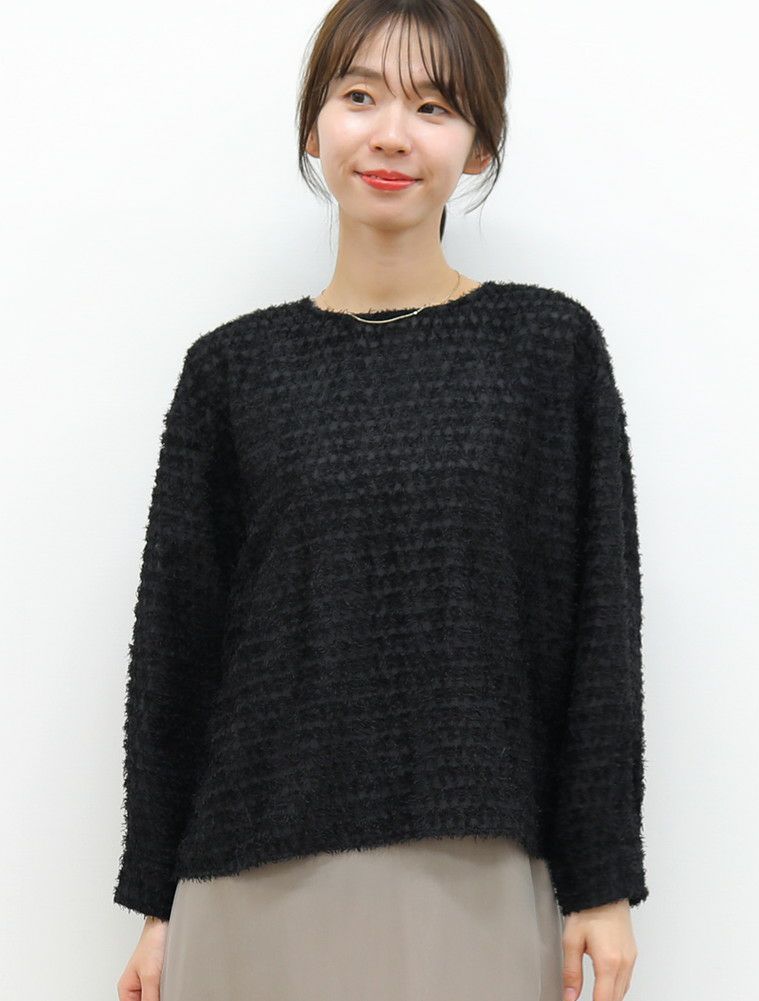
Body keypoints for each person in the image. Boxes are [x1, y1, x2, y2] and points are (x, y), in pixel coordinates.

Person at [115, 2, 649, 1000]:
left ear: (478, 144)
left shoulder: (546, 349)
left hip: (473, 874)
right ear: (313, 126)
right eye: (359, 96)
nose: (391, 134)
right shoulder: (232, 370)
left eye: (433, 106)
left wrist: (602, 882)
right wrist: (156, 904)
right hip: (248, 879)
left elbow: (597, 631)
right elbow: (175, 652)